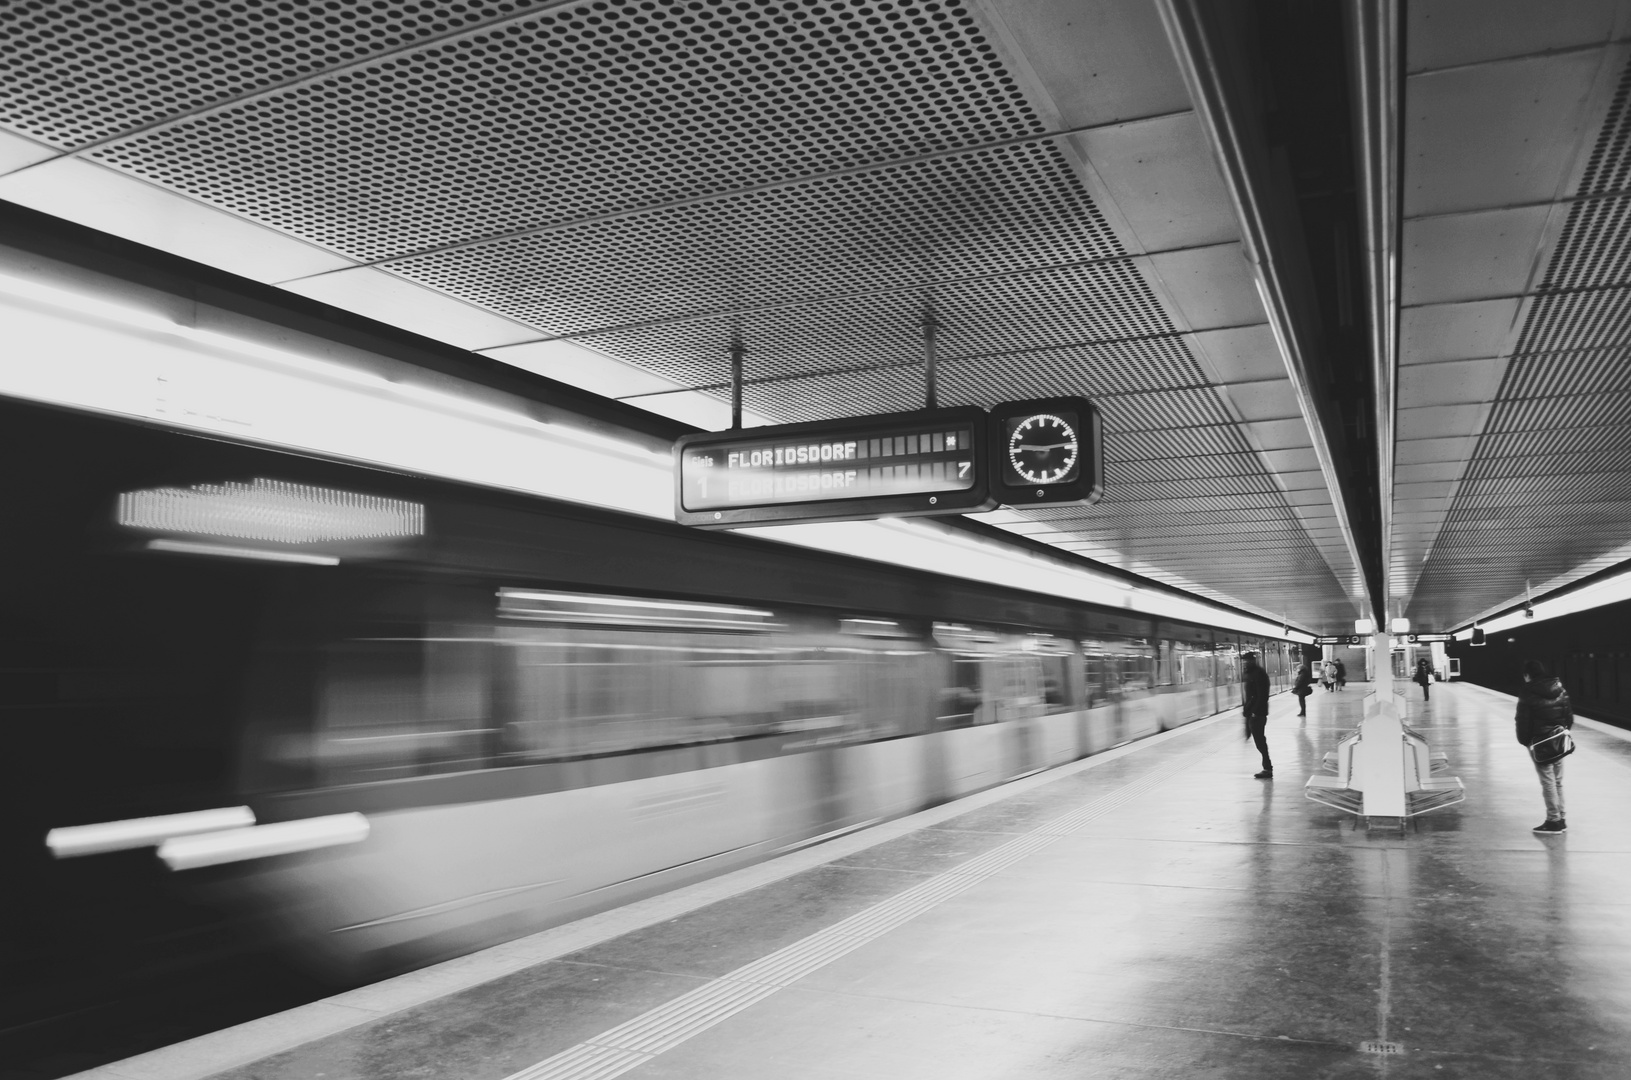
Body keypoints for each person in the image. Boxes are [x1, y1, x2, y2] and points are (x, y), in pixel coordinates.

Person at [1515, 659, 1573, 833]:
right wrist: (1562, 732)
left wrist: (1525, 741)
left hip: (1540, 744)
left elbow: (1522, 721)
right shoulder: (1560, 689)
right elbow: (1568, 717)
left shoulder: (1527, 692)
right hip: (1559, 741)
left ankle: (1553, 820)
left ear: (1527, 675)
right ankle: (1561, 818)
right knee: (1557, 782)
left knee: (1548, 782)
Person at [1242, 650, 1272, 778]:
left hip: (1257, 713)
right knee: (1259, 741)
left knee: (1260, 741)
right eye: (1244, 661)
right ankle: (1267, 767)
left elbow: (1261, 695)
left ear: (1253, 661)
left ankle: (1267, 768)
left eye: (1247, 661)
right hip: (1253, 712)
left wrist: (1254, 712)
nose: (1245, 663)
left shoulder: (1258, 674)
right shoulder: (1251, 673)